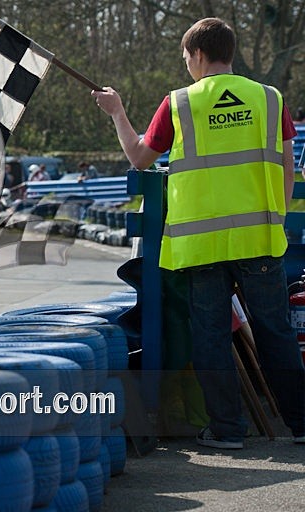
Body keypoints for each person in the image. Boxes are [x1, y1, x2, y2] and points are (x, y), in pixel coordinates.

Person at [92, 17, 305, 449]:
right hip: (260, 239)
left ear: (199, 55)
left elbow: (139, 158)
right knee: (275, 331)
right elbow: (287, 164)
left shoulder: (179, 103)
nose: (187, 64)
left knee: (209, 336)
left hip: (203, 245)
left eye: (186, 57)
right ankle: (301, 424)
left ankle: (227, 431)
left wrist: (117, 112)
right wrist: (277, 218)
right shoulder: (269, 98)